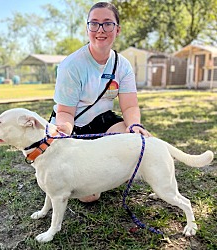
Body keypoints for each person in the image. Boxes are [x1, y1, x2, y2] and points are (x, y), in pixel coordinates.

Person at [50, 2, 151, 202]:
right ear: (87, 28)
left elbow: (130, 106)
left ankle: (106, 172)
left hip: (103, 120)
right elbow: (66, 113)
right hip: (73, 124)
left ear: (118, 29)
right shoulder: (71, 65)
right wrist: (63, 131)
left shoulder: (123, 65)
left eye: (107, 24)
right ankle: (95, 174)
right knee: (89, 197)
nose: (100, 30)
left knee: (139, 142)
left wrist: (134, 125)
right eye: (94, 24)